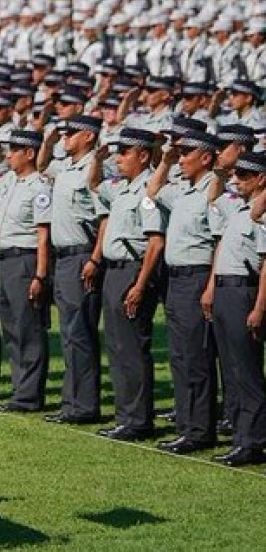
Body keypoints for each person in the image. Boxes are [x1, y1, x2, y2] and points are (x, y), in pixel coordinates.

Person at [145, 128, 221, 453]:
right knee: (179, 356)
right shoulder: (184, 190)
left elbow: (219, 242)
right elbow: (152, 191)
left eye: (186, 153)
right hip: (176, 279)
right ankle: (187, 425)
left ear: (205, 157)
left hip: (197, 277)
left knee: (196, 357)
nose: (181, 159)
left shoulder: (211, 191)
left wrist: (210, 286)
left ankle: (200, 431)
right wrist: (165, 160)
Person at [89, 127, 166, 441]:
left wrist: (139, 283)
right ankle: (125, 417)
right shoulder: (122, 187)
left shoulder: (148, 191)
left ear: (144, 155)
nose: (119, 158)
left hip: (133, 270)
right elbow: (94, 184)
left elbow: (155, 243)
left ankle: (137, 421)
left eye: (125, 152)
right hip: (114, 270)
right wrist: (98, 158)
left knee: (132, 348)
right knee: (118, 347)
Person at [39, 114, 106, 424]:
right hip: (63, 256)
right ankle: (71, 403)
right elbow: (41, 165)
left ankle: (85, 406)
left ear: (89, 136)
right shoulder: (67, 166)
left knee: (80, 333)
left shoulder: (94, 168)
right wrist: (50, 140)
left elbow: (104, 218)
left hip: (81, 255)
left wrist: (95, 258)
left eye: (71, 133)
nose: (66, 138)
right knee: (69, 333)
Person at [206, 151, 266, 466]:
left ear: (261, 179)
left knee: (247, 371)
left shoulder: (261, 214)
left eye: (244, 176)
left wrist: (259, 307)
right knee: (232, 370)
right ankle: (242, 437)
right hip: (226, 290)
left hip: (246, 291)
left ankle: (253, 442)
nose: (236, 180)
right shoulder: (238, 208)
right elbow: (213, 199)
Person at [0, 129, 51, 413]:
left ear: (29, 153)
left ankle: (30, 395)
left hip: (24, 261)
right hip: (5, 261)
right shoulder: (10, 181)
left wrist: (40, 275)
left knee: (28, 329)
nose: (8, 155)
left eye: (15, 150)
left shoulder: (39, 186)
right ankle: (19, 388)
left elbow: (42, 235)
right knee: (11, 328)